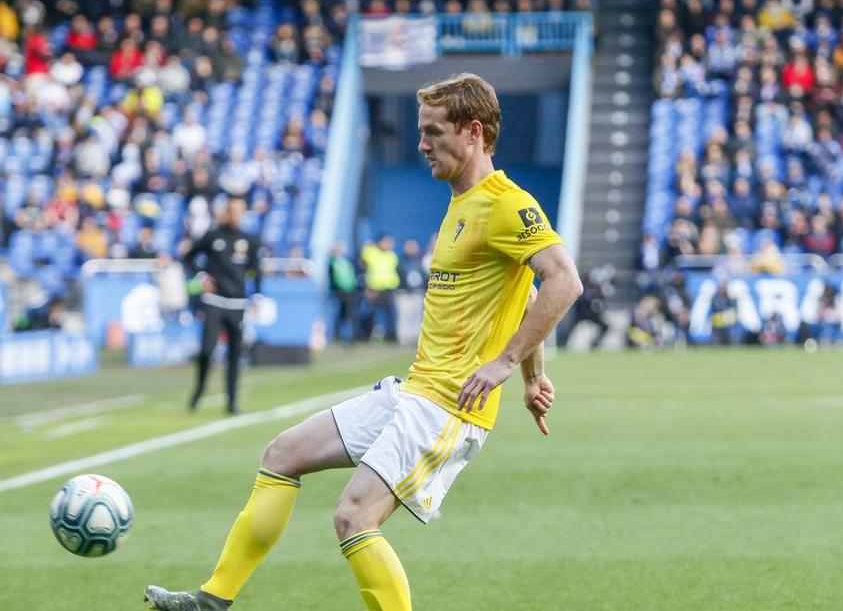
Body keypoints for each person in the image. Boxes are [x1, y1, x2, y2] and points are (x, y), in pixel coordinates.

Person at [144, 73, 582, 611]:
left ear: (473, 133)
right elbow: (526, 286)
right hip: (417, 391)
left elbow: (564, 279)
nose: (421, 143)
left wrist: (509, 363)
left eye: (433, 131)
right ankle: (212, 601)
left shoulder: (506, 203)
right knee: (282, 454)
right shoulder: (460, 202)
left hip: (449, 406)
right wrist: (533, 377)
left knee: (354, 517)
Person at [183, 196, 262, 415]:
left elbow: (257, 271)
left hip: (237, 303)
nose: (235, 215)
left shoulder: (250, 240)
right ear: (225, 212)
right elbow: (188, 256)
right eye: (232, 211)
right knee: (207, 350)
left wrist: (257, 297)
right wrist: (201, 277)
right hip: (214, 301)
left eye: (239, 211)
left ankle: (232, 401)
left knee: (235, 354)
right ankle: (199, 388)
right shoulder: (213, 236)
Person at [360, 234, 400, 342]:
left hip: (389, 288)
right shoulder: (370, 252)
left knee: (391, 314)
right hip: (374, 289)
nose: (389, 244)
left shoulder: (392, 255)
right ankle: (366, 336)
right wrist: (366, 287)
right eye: (387, 242)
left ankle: (392, 336)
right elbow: (361, 263)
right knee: (371, 314)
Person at [328, 241, 361, 344]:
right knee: (341, 315)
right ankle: (338, 336)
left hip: (350, 291)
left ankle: (353, 337)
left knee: (351, 315)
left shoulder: (347, 261)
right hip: (339, 292)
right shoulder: (333, 262)